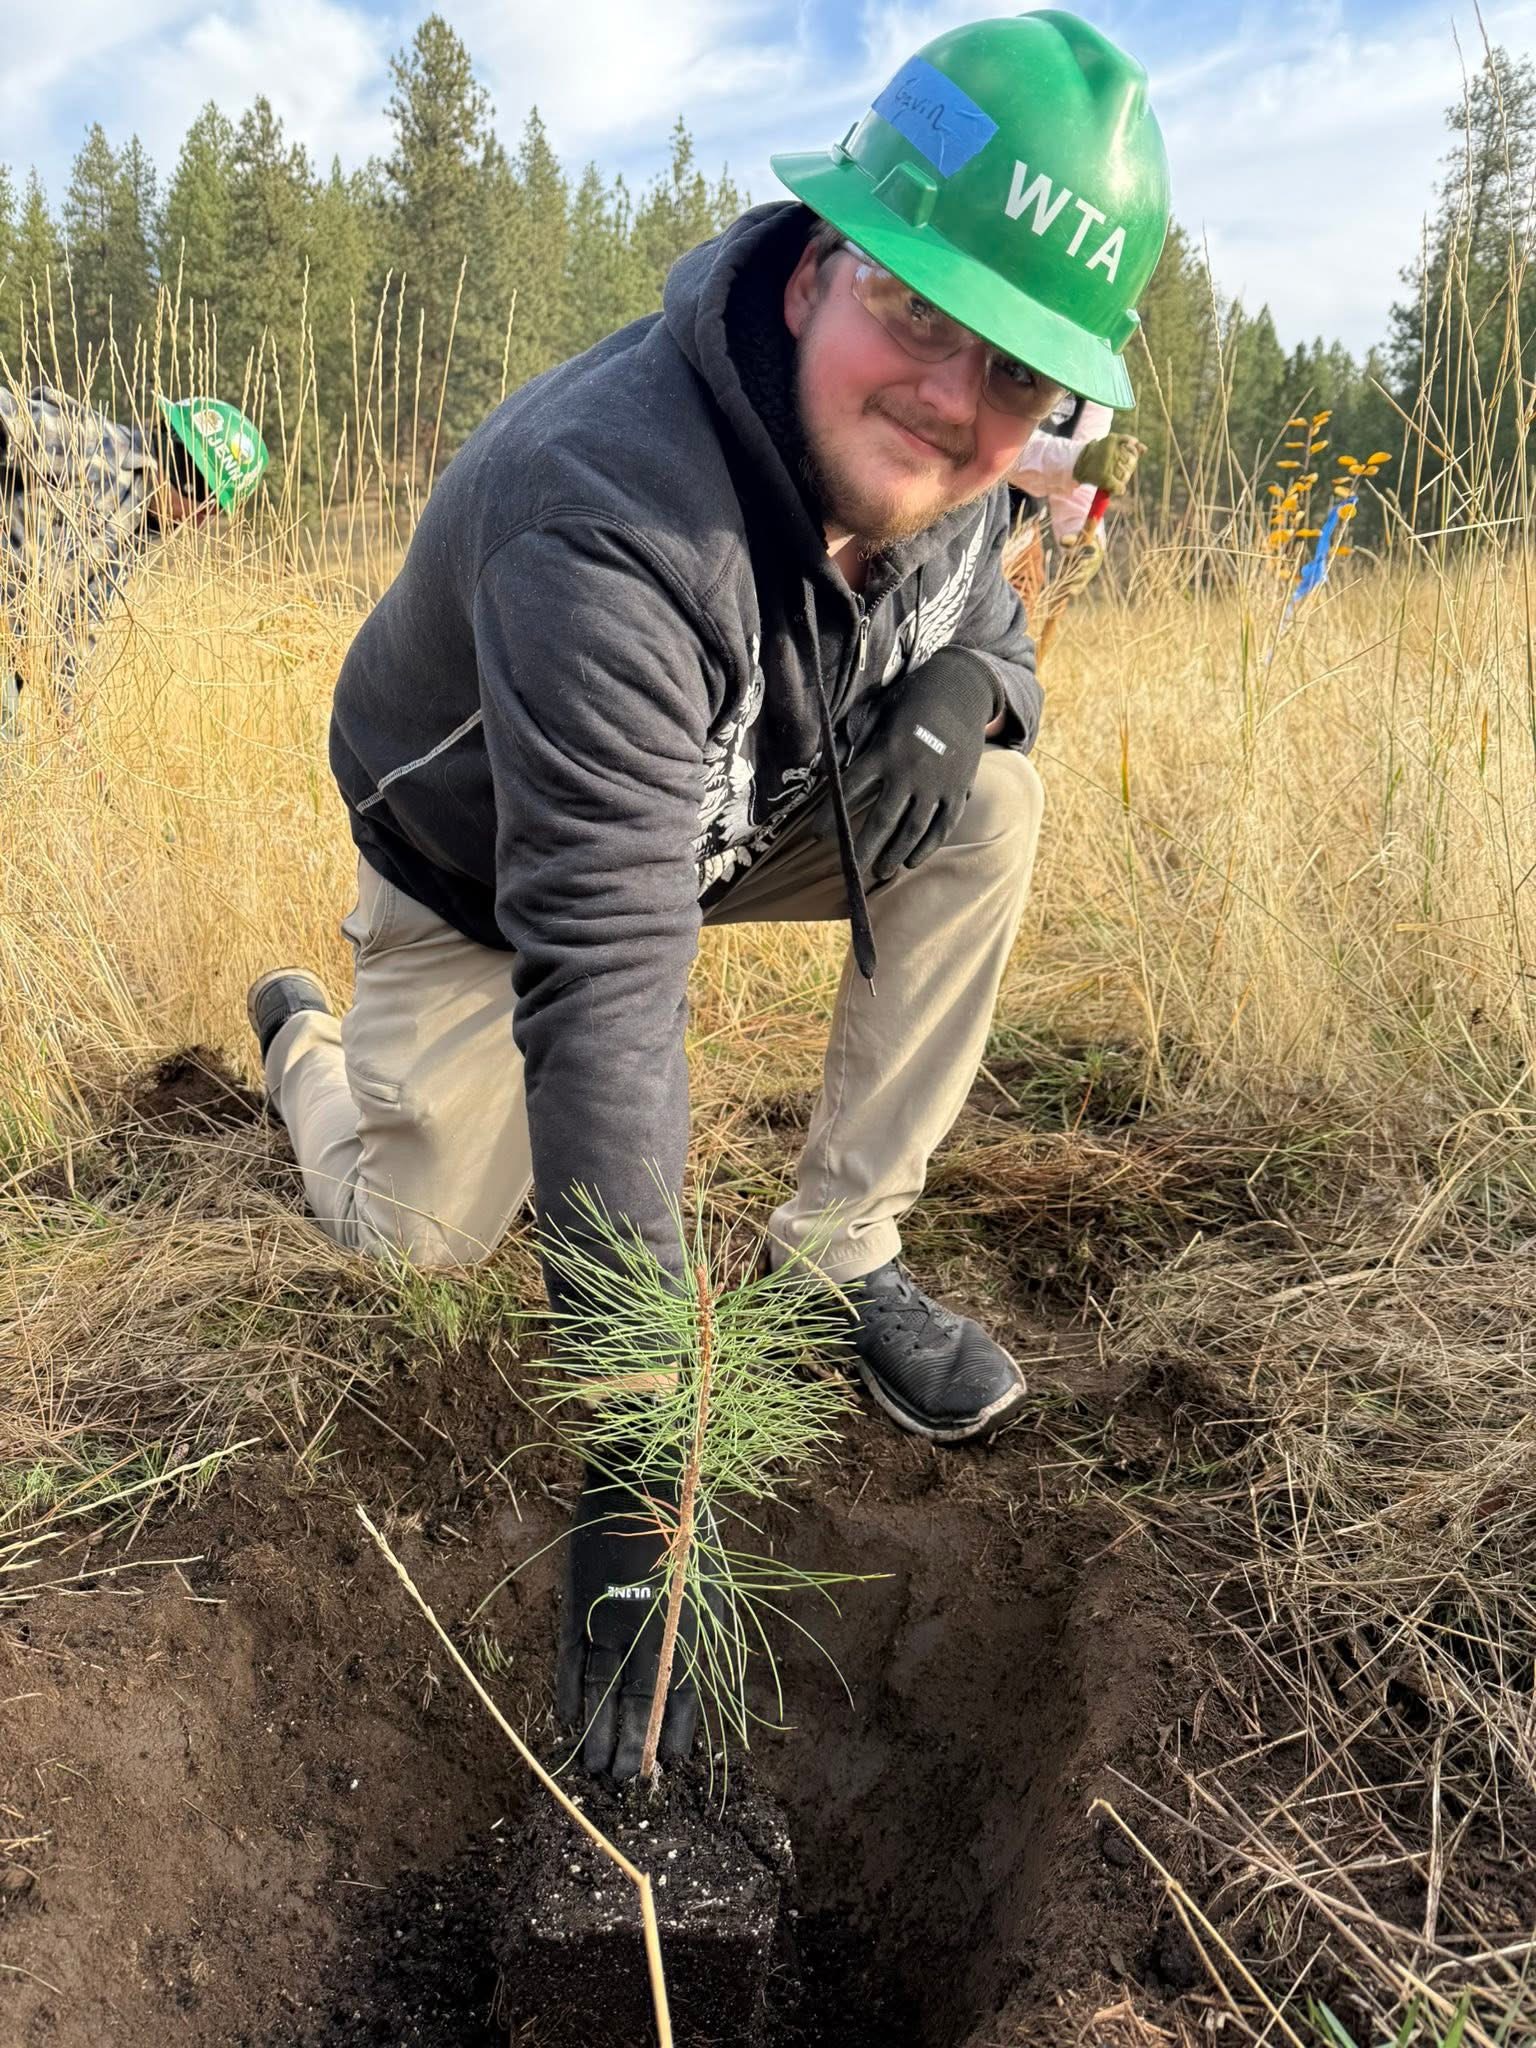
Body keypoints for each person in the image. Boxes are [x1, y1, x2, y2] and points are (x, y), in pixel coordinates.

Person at [248, 9, 1170, 1780]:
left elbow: (980, 619)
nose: (954, 403)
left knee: (989, 806)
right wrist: (636, 1443)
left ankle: (840, 1250)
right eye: (916, 318)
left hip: (729, 803)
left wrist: (962, 698)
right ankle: (306, 1042)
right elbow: (605, 982)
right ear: (826, 262)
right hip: (490, 875)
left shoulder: (965, 456)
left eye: (1014, 374)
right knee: (418, 1237)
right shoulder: (602, 509)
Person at [0, 390, 268, 727]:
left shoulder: (131, 538)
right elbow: (10, 414)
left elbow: (77, 636)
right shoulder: (92, 444)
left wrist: (71, 734)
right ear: (187, 476)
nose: (200, 521)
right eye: (208, 508)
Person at [1003, 395, 1143, 615]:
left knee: (1005, 642)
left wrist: (1083, 535)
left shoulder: (1098, 374)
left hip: (1019, 538)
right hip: (957, 516)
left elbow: (1085, 474)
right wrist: (1077, 461)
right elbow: (986, 440)